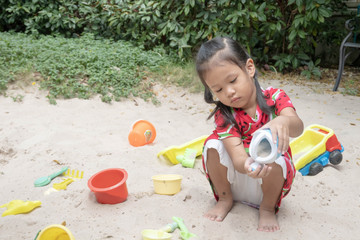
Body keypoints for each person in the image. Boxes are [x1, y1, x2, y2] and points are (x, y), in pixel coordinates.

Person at [195, 37, 304, 232]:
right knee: (212, 145)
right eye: (218, 89)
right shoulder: (224, 114)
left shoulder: (275, 97)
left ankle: (267, 209)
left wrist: (283, 120)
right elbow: (237, 158)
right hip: (238, 178)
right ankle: (225, 198)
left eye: (233, 80)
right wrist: (247, 166)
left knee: (277, 154)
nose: (229, 92)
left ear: (249, 68)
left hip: (269, 183)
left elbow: (298, 127)